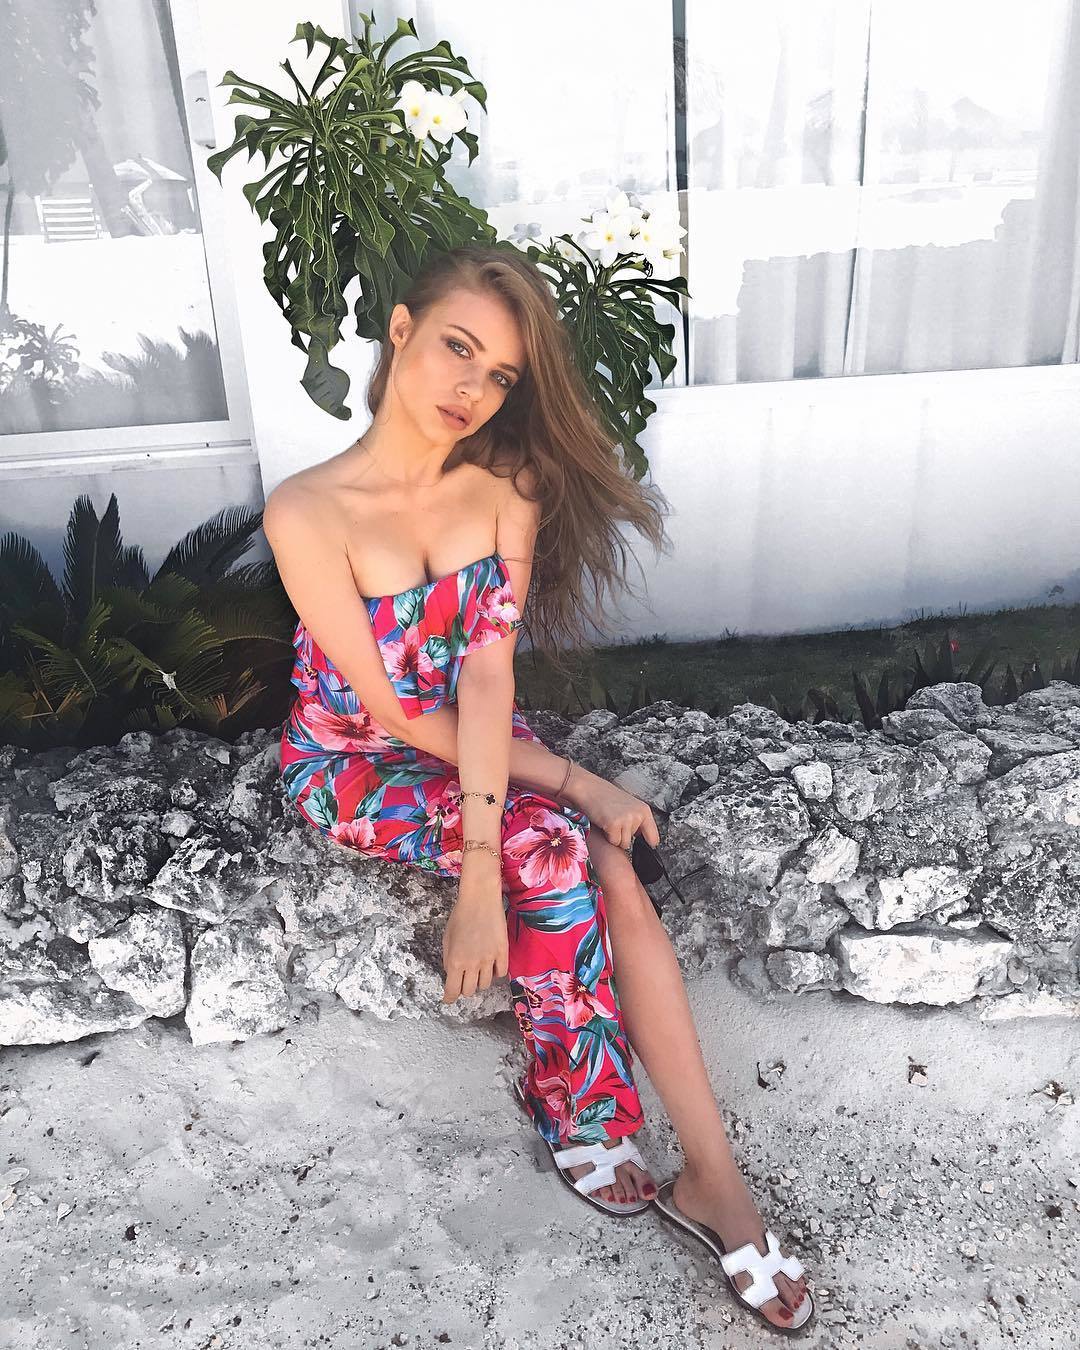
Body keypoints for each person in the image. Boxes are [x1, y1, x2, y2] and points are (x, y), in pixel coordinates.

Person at [264, 244, 814, 1333]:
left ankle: (713, 1176)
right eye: (457, 347)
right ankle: (580, 1109)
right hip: (358, 758)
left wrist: (565, 788)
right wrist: (500, 856)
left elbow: (483, 678)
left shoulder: (506, 489)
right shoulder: (307, 510)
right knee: (555, 849)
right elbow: (392, 715)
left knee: (608, 862)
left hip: (477, 736)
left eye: (501, 374)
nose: (471, 388)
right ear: (401, 330)